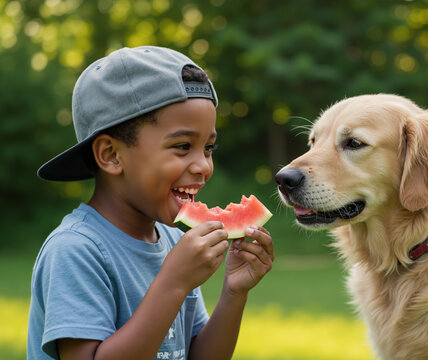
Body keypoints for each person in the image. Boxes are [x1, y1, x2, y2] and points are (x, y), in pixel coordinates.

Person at [27, 46, 274, 360]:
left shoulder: (173, 241)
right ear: (111, 155)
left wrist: (233, 294)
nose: (203, 166)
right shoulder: (76, 249)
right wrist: (172, 283)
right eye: (183, 146)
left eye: (208, 147)